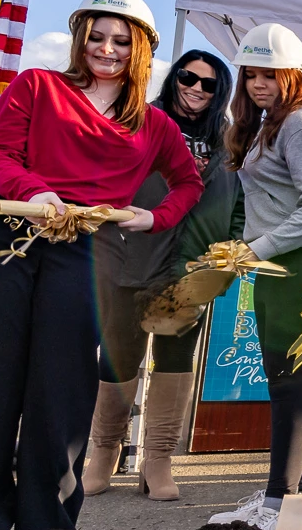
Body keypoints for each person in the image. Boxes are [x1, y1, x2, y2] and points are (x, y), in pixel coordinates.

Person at [0, 0, 202, 530]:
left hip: (86, 244)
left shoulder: (154, 125)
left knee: (61, 385)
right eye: (96, 37)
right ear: (79, 37)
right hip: (3, 229)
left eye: (120, 41)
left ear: (140, 51)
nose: (106, 49)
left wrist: (152, 218)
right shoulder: (38, 86)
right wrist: (37, 194)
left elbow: (188, 182)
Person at [207, 23, 302, 530]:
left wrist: (257, 247)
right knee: (286, 382)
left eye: (270, 73)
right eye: (251, 74)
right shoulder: (272, 122)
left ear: (293, 74)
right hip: (279, 262)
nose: (258, 83)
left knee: (289, 382)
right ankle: (280, 496)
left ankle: (279, 502)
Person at [84, 45, 236, 501]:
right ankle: (103, 454)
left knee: (174, 362)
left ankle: (159, 460)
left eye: (208, 84)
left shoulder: (228, 141)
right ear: (175, 79)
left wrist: (223, 261)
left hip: (191, 272)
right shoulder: (138, 122)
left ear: (220, 92)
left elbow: (234, 205)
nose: (196, 89)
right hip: (131, 262)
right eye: (188, 78)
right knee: (117, 360)